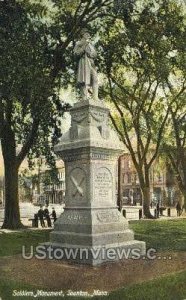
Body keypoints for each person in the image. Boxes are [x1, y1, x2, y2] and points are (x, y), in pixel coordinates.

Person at [74, 30, 98, 101]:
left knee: (95, 79)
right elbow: (76, 54)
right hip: (84, 62)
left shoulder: (91, 44)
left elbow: (95, 54)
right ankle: (84, 97)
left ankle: (95, 97)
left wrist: (91, 54)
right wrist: (83, 48)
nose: (88, 34)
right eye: (86, 33)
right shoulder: (78, 43)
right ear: (82, 34)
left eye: (88, 33)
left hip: (91, 63)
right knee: (84, 80)